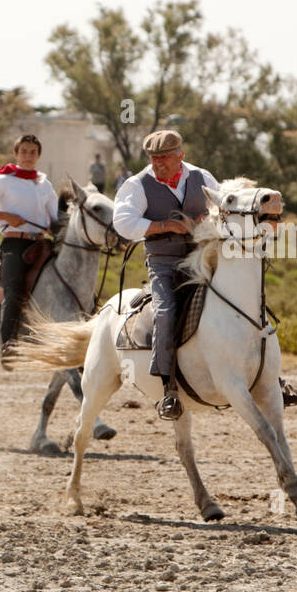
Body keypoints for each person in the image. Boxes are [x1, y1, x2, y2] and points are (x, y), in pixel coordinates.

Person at [112, 129, 220, 421]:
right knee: (165, 312)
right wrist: (164, 227)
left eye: (164, 159)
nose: (158, 164)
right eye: (154, 159)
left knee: (240, 296)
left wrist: (208, 220)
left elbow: (221, 208)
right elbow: (122, 221)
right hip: (164, 262)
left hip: (203, 257)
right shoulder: (138, 185)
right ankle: (168, 388)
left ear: (180, 156)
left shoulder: (202, 177)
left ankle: (268, 376)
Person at [0, 134, 60, 366]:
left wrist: (55, 226)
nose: (28, 156)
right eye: (24, 151)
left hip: (42, 243)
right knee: (15, 289)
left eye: (33, 152)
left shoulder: (45, 185)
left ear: (38, 156)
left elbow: (56, 217)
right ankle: (8, 348)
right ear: (16, 154)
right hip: (15, 244)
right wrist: (7, 216)